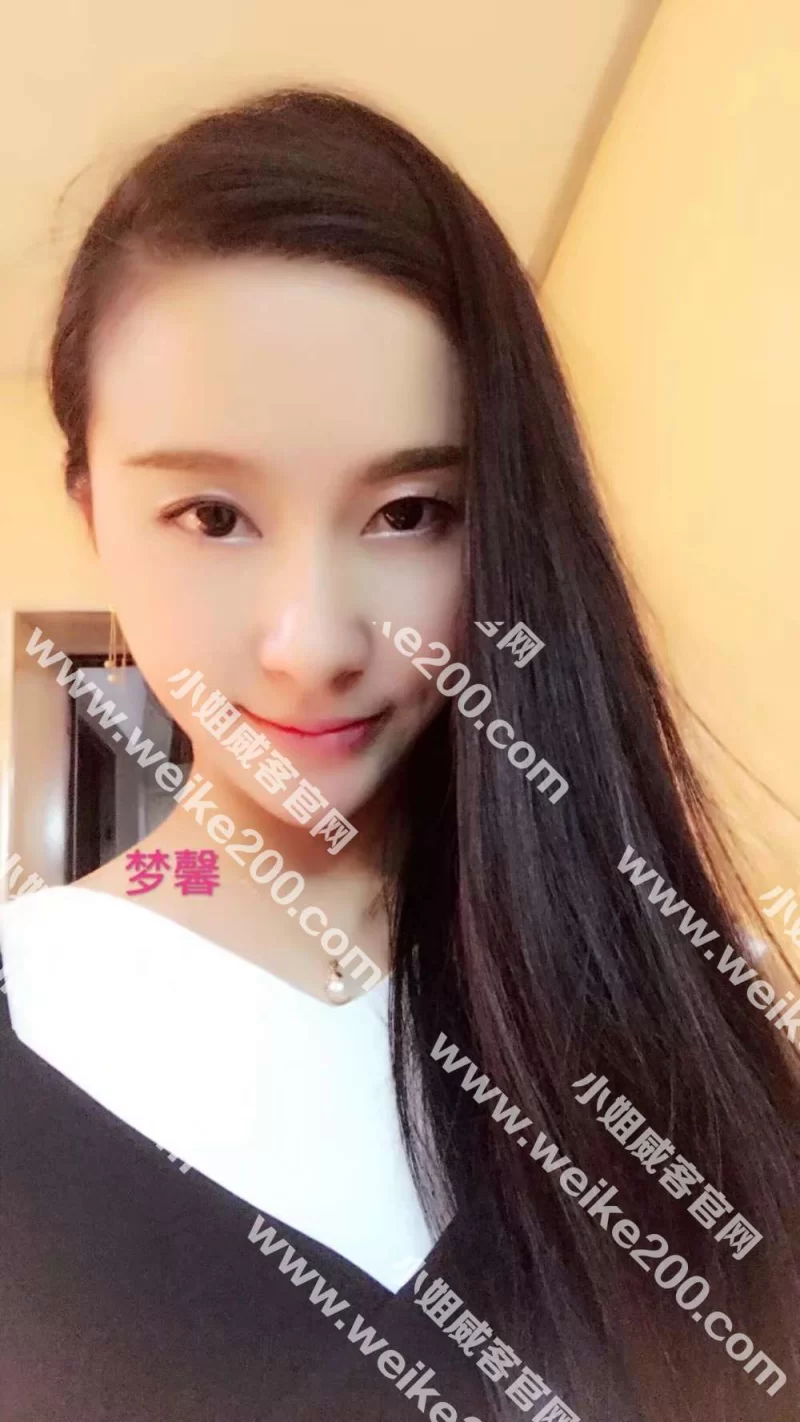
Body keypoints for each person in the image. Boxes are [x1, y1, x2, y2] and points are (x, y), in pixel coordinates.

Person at [1, 85, 798, 1422]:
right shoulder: (40, 999)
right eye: (212, 515)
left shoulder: (681, 1007)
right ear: (92, 512)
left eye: (413, 510)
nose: (314, 643)